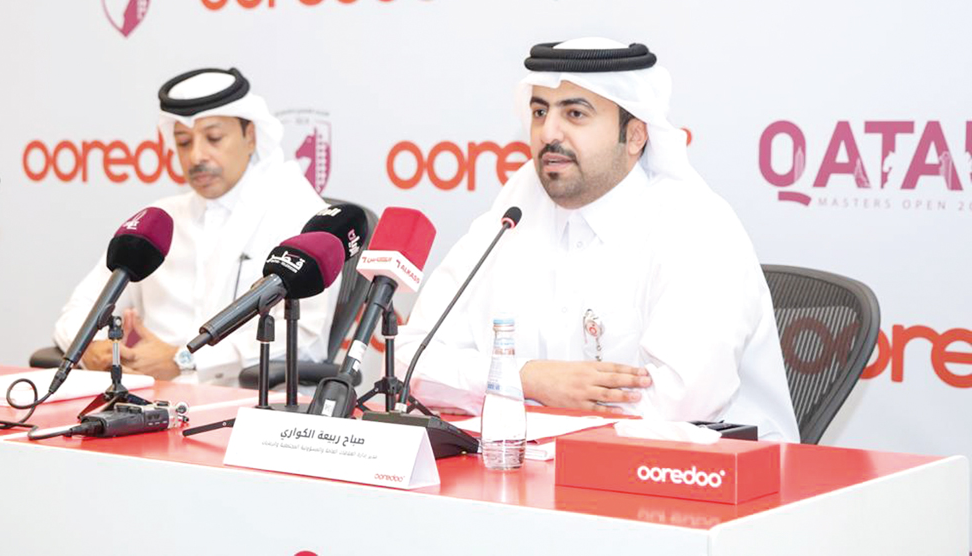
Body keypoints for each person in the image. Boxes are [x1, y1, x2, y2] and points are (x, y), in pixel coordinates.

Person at [395, 38, 799, 441]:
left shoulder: (695, 226)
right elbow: (409, 362)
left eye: (575, 113)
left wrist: (502, 392)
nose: (548, 132)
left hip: (705, 483)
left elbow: (679, 406)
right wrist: (527, 379)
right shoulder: (514, 211)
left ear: (636, 135)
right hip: (538, 478)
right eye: (539, 111)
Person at [53, 68, 337, 384]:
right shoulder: (157, 222)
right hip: (144, 404)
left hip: (245, 409)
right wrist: (90, 347)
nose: (196, 156)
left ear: (250, 136)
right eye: (183, 142)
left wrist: (184, 360)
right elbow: (80, 309)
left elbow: (307, 341)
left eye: (214, 138)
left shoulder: (298, 215)